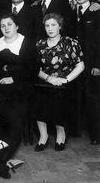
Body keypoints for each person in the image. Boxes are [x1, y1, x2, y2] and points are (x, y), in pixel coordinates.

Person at [34, 13, 85, 152]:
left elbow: (80, 66)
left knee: (58, 103)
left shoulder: (70, 43)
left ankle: (61, 135)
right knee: (38, 100)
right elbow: (35, 69)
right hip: (44, 81)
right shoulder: (39, 44)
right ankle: (43, 137)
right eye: (47, 25)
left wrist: (65, 79)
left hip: (64, 84)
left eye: (53, 25)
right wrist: (49, 78)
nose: (50, 28)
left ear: (60, 26)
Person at [73, 0, 100, 145]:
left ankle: (97, 134)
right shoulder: (74, 12)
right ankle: (80, 128)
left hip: (92, 64)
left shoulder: (99, 12)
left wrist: (98, 65)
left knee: (94, 98)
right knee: (79, 97)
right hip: (76, 64)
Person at [0, 14, 37, 108]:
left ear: (17, 26)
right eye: (3, 26)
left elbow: (34, 69)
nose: (6, 28)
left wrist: (14, 79)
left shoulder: (27, 43)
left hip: (20, 88)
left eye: (9, 24)